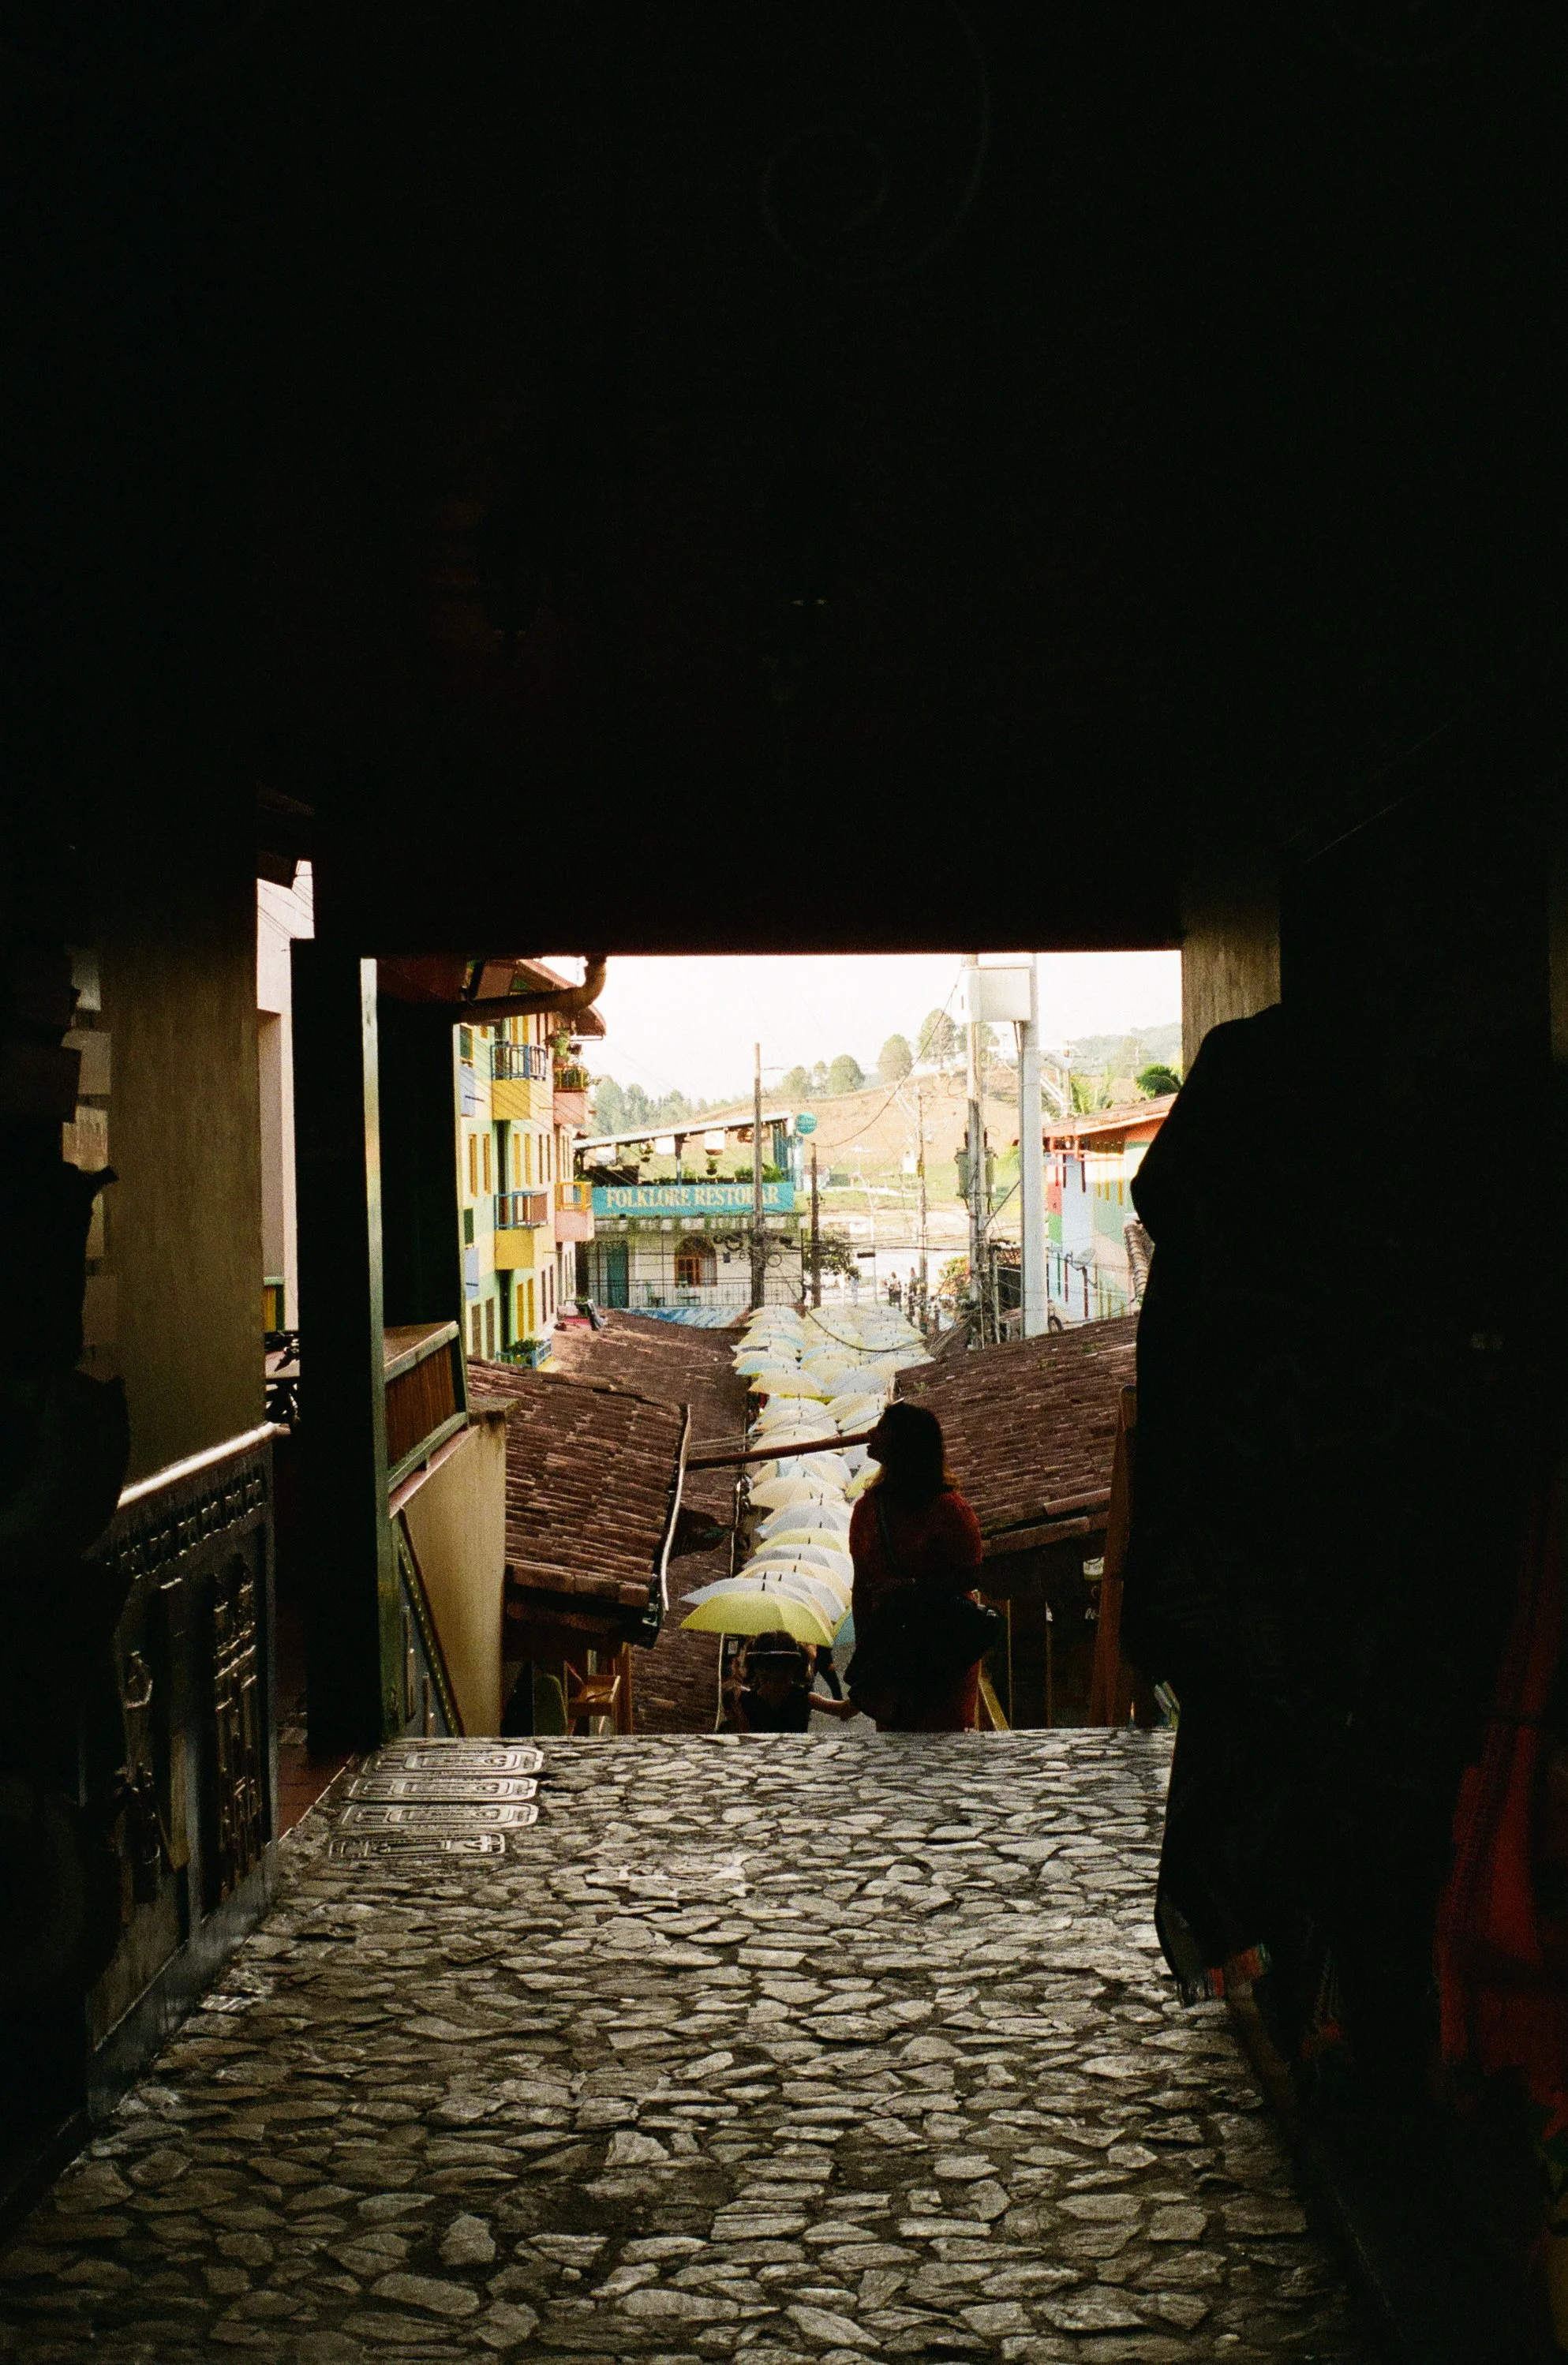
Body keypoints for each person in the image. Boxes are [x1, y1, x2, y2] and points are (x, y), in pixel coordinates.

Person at [847, 1401, 986, 1732]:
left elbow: (971, 1576)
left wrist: (910, 1587)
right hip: (896, 1652)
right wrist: (867, 1649)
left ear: (901, 1443)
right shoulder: (868, 1510)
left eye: (881, 1428)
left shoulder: (951, 1513)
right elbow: (862, 1586)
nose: (871, 1433)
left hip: (942, 1655)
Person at [726, 1633, 857, 1732]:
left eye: (781, 1679)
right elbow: (845, 1709)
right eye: (768, 1680)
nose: (774, 1687)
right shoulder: (805, 1698)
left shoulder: (745, 1701)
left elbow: (746, 1742)